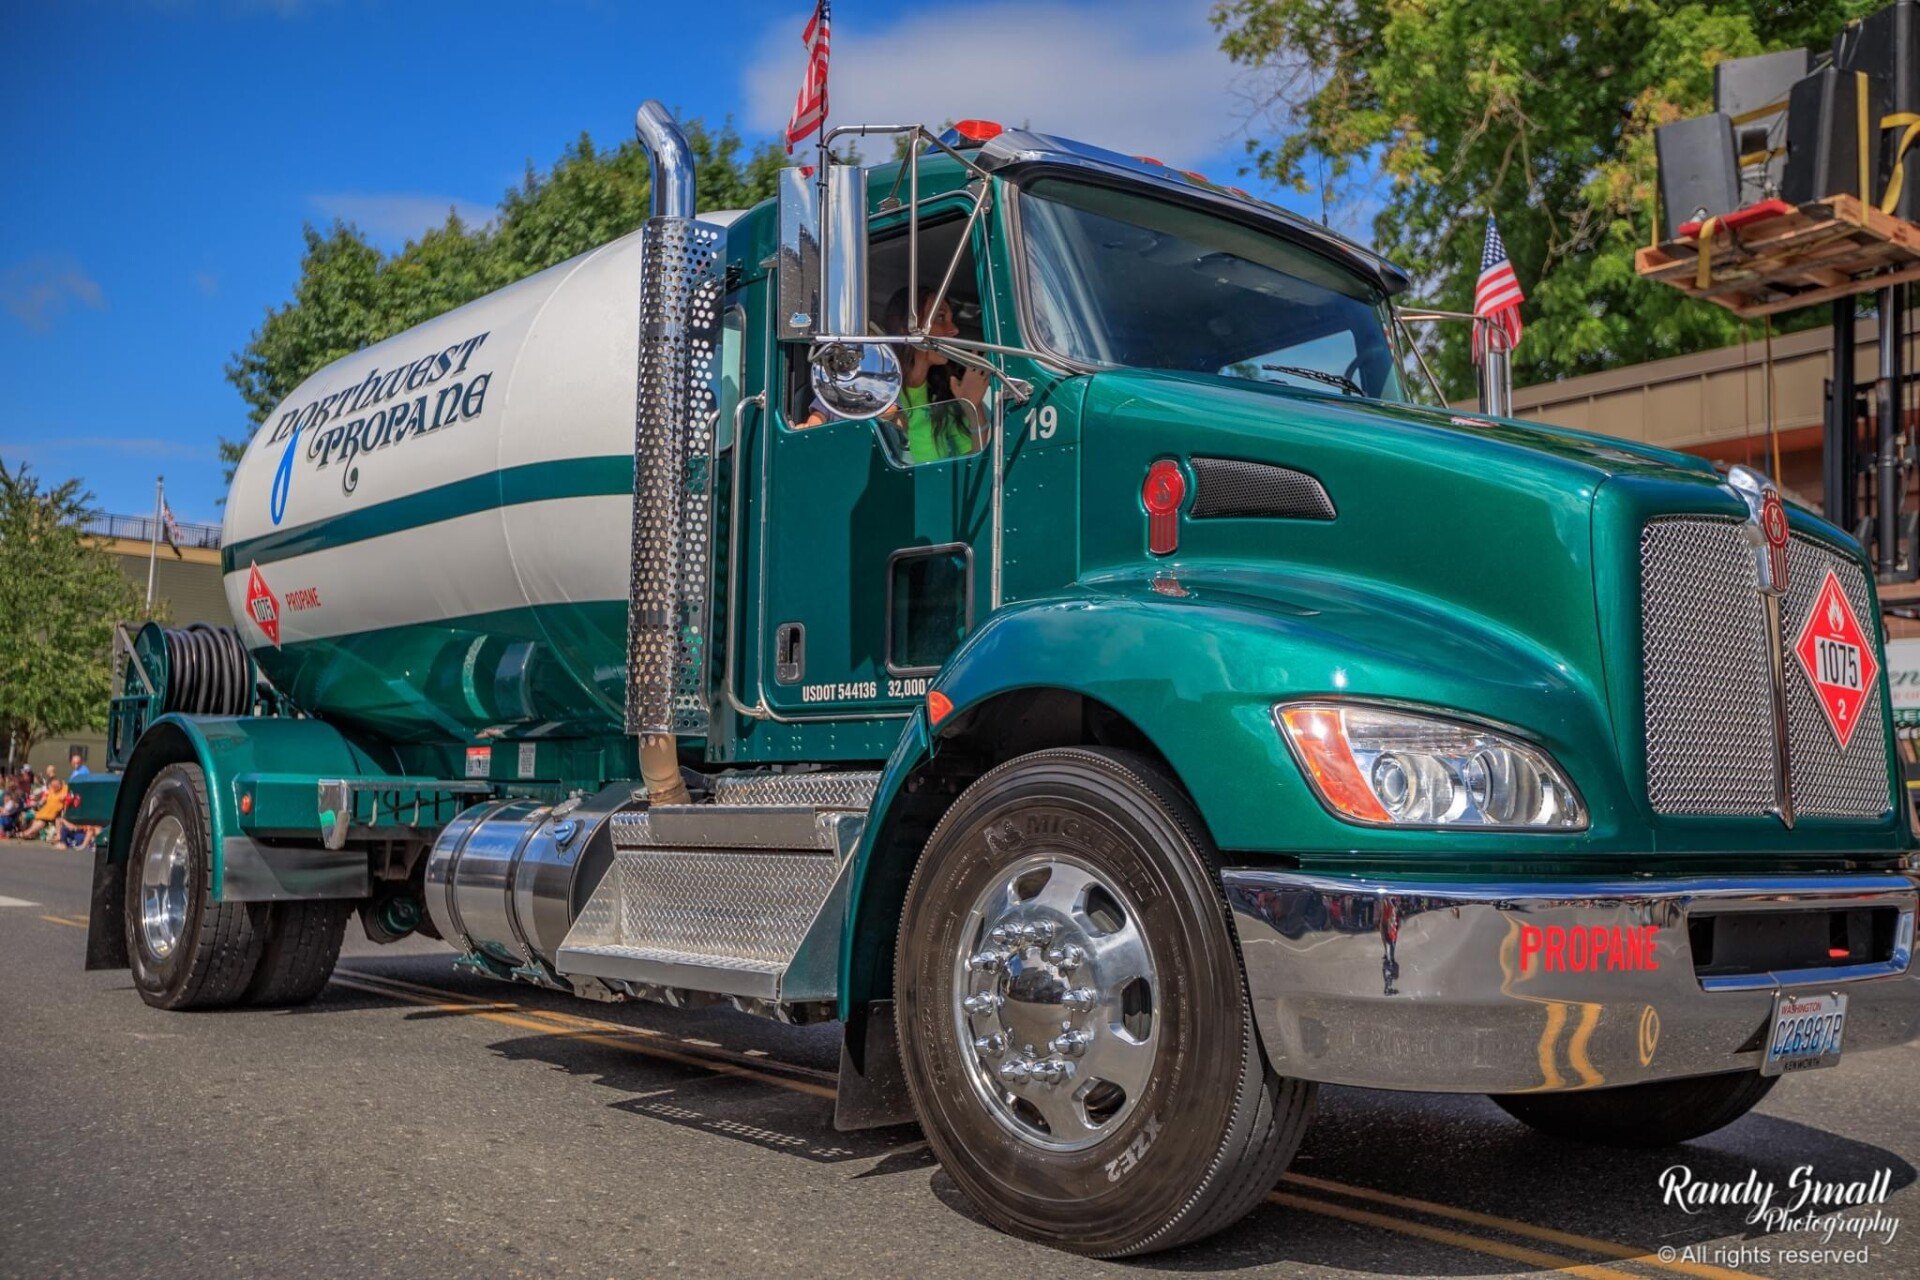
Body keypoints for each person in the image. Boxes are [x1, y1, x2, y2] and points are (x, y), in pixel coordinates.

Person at [880, 287, 989, 464]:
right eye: (940, 317)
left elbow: (975, 463)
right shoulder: (878, 392)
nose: (954, 330)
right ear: (906, 330)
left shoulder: (946, 394)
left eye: (951, 320)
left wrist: (973, 406)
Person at [19, 769, 67, 841]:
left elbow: (66, 797)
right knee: (38, 818)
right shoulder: (50, 790)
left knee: (42, 821)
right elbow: (43, 800)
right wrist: (36, 803)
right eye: (53, 786)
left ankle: (27, 833)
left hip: (57, 812)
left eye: (57, 786)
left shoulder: (65, 788)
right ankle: (29, 833)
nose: (55, 788)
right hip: (47, 811)